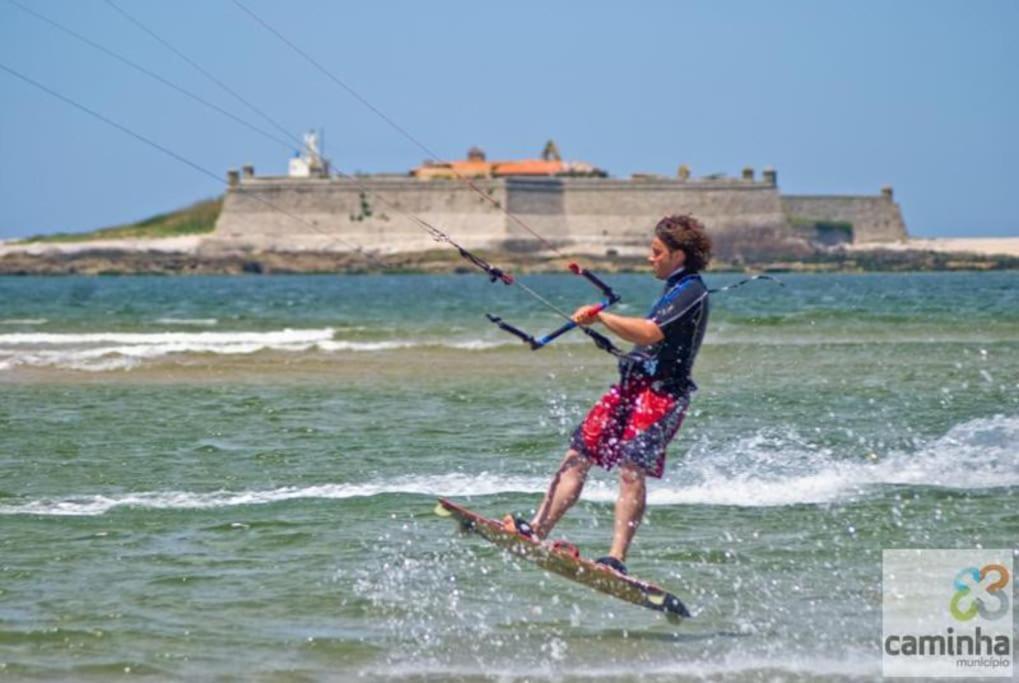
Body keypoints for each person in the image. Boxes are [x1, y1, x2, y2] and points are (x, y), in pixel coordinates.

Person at [508, 214, 712, 575]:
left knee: (631, 470)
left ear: (678, 255)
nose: (650, 258)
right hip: (631, 388)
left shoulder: (692, 290)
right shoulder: (674, 287)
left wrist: (602, 318)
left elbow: (649, 333)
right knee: (579, 452)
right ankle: (536, 530)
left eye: (656, 251)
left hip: (662, 396)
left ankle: (616, 559)